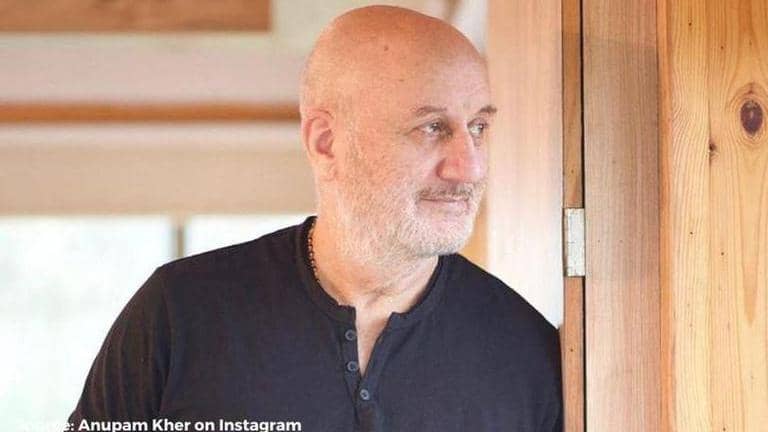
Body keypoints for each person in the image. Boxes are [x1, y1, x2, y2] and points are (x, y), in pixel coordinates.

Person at [66, 5, 562, 432]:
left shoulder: (527, 351)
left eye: (478, 127)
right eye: (432, 127)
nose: (470, 167)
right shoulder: (178, 313)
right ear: (326, 142)